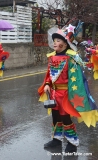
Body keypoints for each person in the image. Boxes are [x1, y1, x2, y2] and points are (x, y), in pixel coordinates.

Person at [38, 24, 98, 153]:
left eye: (58, 41)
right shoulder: (52, 57)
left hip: (65, 93)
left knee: (65, 117)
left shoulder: (71, 59)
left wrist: (72, 95)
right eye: (54, 41)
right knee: (55, 116)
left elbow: (75, 79)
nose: (55, 43)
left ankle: (72, 141)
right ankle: (57, 139)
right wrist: (47, 84)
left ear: (65, 44)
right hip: (54, 93)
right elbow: (49, 74)